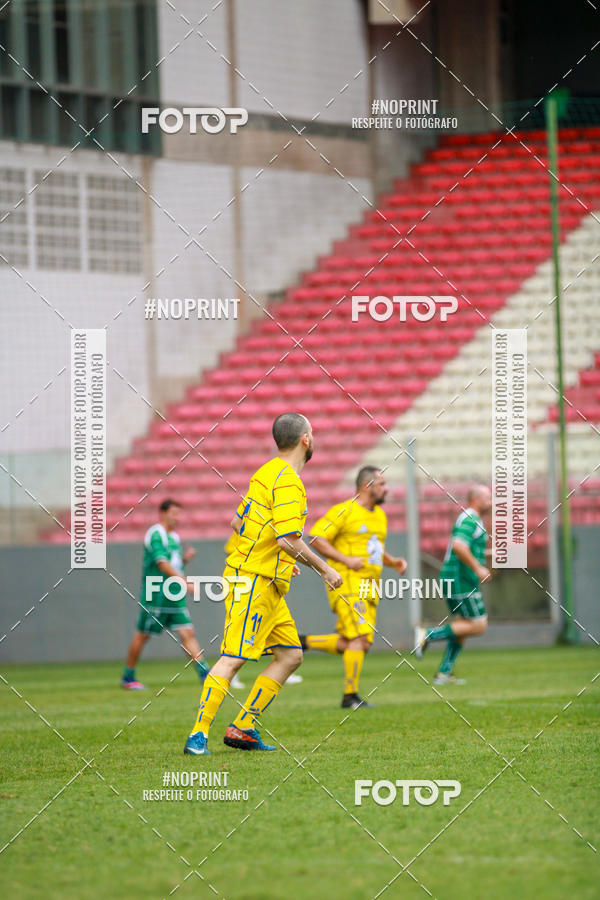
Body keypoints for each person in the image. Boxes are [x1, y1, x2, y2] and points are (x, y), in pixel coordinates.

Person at [183, 412, 342, 755]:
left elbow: (238, 522)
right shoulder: (287, 480)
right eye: (312, 432)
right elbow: (287, 539)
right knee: (233, 658)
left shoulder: (265, 472)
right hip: (254, 582)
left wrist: (281, 560)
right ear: (305, 440)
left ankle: (243, 726)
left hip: (266, 579)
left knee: (290, 656)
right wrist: (324, 569)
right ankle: (197, 735)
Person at [300, 466, 407, 709]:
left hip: (371, 585)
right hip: (347, 582)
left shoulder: (380, 515)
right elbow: (316, 538)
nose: (386, 488)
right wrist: (346, 561)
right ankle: (350, 696)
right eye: (381, 484)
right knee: (359, 638)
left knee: (360, 643)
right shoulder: (344, 511)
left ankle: (303, 642)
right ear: (366, 486)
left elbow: (374, 551)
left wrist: (394, 562)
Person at [121, 499, 210, 690]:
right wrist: (185, 582)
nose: (177, 517)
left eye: (179, 513)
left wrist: (185, 560)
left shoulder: (174, 537)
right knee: (143, 634)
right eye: (174, 513)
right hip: (156, 593)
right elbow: (161, 564)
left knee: (187, 632)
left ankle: (205, 673)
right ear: (162, 513)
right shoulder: (156, 534)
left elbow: (173, 565)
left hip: (174, 594)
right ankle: (128, 677)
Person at [414, 485, 492, 684]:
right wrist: (478, 568)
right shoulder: (471, 518)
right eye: (487, 498)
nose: (491, 502)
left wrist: (489, 555)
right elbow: (458, 546)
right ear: (475, 499)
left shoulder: (471, 519)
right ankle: (428, 634)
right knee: (478, 625)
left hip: (457, 578)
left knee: (463, 625)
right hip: (460, 579)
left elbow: (466, 547)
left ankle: (444, 673)